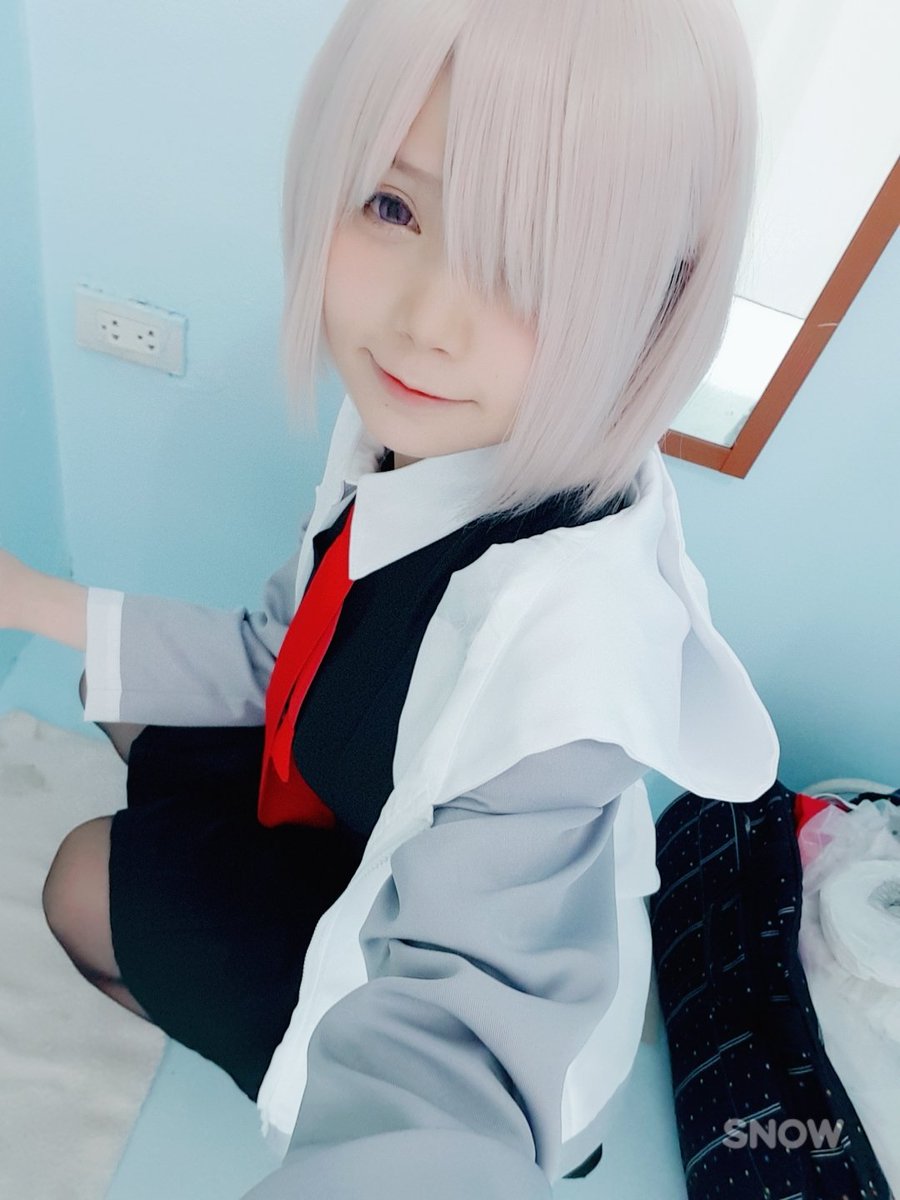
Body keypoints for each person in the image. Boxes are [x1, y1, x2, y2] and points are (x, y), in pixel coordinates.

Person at [0, 1, 781, 1196]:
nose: (425, 323)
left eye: (535, 266)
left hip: (401, 932)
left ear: (659, 300)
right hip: (343, 795)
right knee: (116, 713)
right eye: (393, 206)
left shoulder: (574, 661)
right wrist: (26, 598)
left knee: (77, 885)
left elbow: (448, 1064)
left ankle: (257, 1043)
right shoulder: (414, 429)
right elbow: (281, 649)